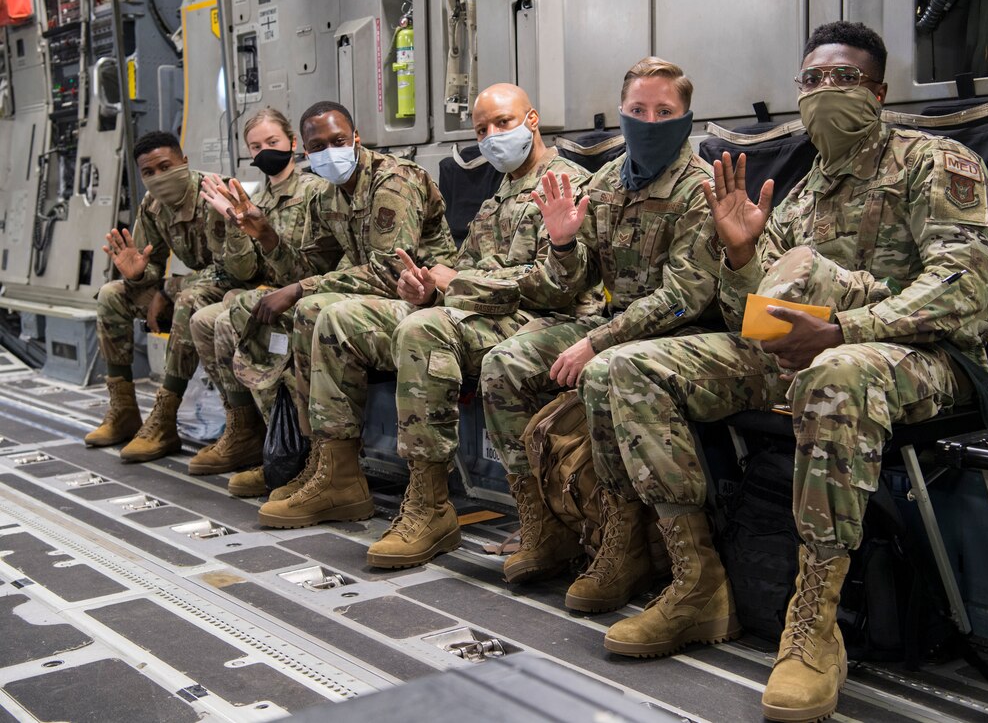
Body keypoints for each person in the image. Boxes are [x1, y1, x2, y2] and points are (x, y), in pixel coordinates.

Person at [601, 22, 988, 723]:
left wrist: (844, 326)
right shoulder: (802, 192)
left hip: (928, 359)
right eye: (811, 80)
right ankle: (696, 581)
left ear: (878, 92)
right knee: (630, 366)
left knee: (839, 370)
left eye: (841, 78)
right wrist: (741, 257)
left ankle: (815, 625)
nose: (823, 92)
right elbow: (748, 316)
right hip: (812, 351)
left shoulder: (937, 162)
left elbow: (961, 295)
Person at [479, 58, 721, 613]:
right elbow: (568, 287)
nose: (649, 121)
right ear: (621, 114)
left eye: (665, 111)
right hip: (612, 324)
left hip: (683, 334)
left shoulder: (699, 187)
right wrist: (563, 244)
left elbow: (686, 297)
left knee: (605, 369)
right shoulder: (609, 181)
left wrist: (598, 342)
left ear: (687, 118)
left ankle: (626, 537)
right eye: (637, 110)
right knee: (506, 362)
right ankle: (544, 524)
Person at [364, 83, 596, 569]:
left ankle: (537, 519)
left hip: (557, 319)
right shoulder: (498, 197)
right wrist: (426, 286)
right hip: (504, 316)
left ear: (532, 120)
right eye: (482, 130)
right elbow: (467, 268)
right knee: (416, 321)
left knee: (428, 332)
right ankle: (427, 502)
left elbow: (557, 287)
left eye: (503, 123)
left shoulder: (564, 183)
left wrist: (458, 284)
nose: (492, 137)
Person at [237, 100, 455, 527]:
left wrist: (299, 289)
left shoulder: (393, 180)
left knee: (315, 309)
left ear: (356, 138)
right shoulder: (329, 195)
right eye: (319, 146)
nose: (331, 151)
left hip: (423, 297)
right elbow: (311, 268)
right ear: (307, 154)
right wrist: (266, 238)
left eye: (339, 140)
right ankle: (322, 460)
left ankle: (338, 474)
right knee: (286, 306)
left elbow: (390, 267)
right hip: (374, 298)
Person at [85, 131, 252, 462]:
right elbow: (150, 265)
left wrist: (166, 288)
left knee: (189, 298)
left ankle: (163, 419)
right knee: (111, 295)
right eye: (149, 172)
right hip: (192, 287)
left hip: (238, 289)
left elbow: (232, 271)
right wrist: (136, 274)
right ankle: (123, 412)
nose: (158, 177)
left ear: (184, 162)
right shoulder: (152, 206)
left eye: (165, 166)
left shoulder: (214, 194)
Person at [187, 107, 332, 485]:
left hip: (300, 292)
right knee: (203, 320)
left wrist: (263, 234)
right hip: (263, 292)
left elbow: (306, 270)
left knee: (227, 319)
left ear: (292, 144)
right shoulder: (253, 197)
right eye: (256, 146)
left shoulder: (314, 191)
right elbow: (244, 272)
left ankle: (288, 450)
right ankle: (249, 431)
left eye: (273, 142)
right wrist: (234, 224)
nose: (265, 151)